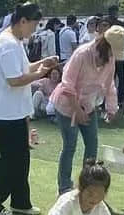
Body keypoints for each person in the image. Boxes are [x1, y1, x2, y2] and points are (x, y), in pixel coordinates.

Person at [0, 2, 59, 215]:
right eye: (33, 25)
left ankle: (20, 202)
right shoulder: (7, 44)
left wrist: (43, 63)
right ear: (23, 21)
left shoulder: (14, 40)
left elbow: (23, 69)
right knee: (10, 160)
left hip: (13, 112)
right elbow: (15, 79)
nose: (34, 31)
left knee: (21, 158)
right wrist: (41, 74)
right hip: (4, 114)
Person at [50, 25, 119, 194]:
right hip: (66, 105)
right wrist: (77, 110)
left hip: (89, 105)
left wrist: (111, 108)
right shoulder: (81, 54)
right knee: (70, 146)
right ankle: (64, 187)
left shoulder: (111, 59)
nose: (111, 58)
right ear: (104, 47)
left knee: (92, 145)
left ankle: (87, 184)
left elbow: (109, 85)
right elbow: (67, 85)